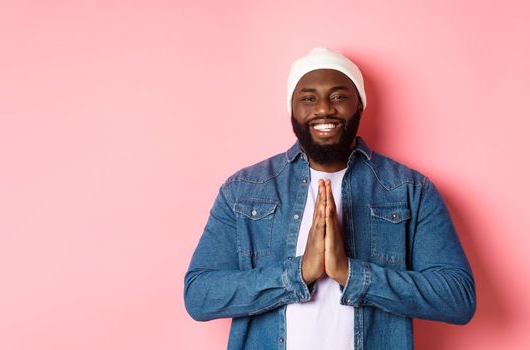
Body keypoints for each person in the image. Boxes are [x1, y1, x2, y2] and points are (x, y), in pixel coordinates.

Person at [183, 47, 476, 350]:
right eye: (309, 98)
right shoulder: (244, 189)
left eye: (338, 96)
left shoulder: (411, 189)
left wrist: (351, 273)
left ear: (359, 104)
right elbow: (199, 295)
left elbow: (457, 297)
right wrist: (297, 274)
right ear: (291, 109)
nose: (324, 109)